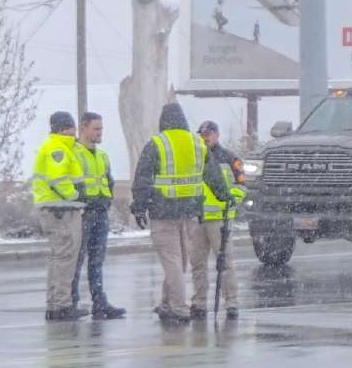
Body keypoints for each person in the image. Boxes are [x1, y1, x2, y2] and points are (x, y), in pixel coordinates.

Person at [130, 103, 231, 323]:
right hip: (189, 212)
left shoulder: (158, 144)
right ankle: (167, 303)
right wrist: (224, 195)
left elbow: (143, 176)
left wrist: (139, 205)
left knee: (172, 261)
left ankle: (178, 307)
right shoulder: (197, 143)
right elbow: (212, 174)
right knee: (180, 260)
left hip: (163, 210)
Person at [189, 121, 248, 320]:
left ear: (217, 135)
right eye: (203, 134)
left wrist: (229, 202)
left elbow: (241, 187)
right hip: (198, 218)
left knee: (225, 263)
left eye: (209, 134)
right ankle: (199, 302)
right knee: (197, 263)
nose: (205, 138)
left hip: (220, 220)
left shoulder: (230, 158)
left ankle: (231, 302)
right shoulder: (195, 157)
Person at [33, 111, 88, 321]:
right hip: (61, 210)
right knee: (65, 258)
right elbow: (58, 179)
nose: (74, 130)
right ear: (63, 128)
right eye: (71, 126)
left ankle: (55, 303)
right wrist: (75, 194)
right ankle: (62, 305)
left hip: (56, 209)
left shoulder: (58, 146)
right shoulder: (59, 147)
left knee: (59, 258)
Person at [71, 112, 127, 319]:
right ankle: (72, 300)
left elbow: (108, 181)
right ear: (83, 128)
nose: (99, 133)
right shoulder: (74, 153)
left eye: (101, 129)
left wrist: (106, 201)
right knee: (76, 259)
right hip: (82, 213)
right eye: (96, 129)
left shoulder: (102, 155)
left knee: (97, 260)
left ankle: (99, 302)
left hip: (100, 213)